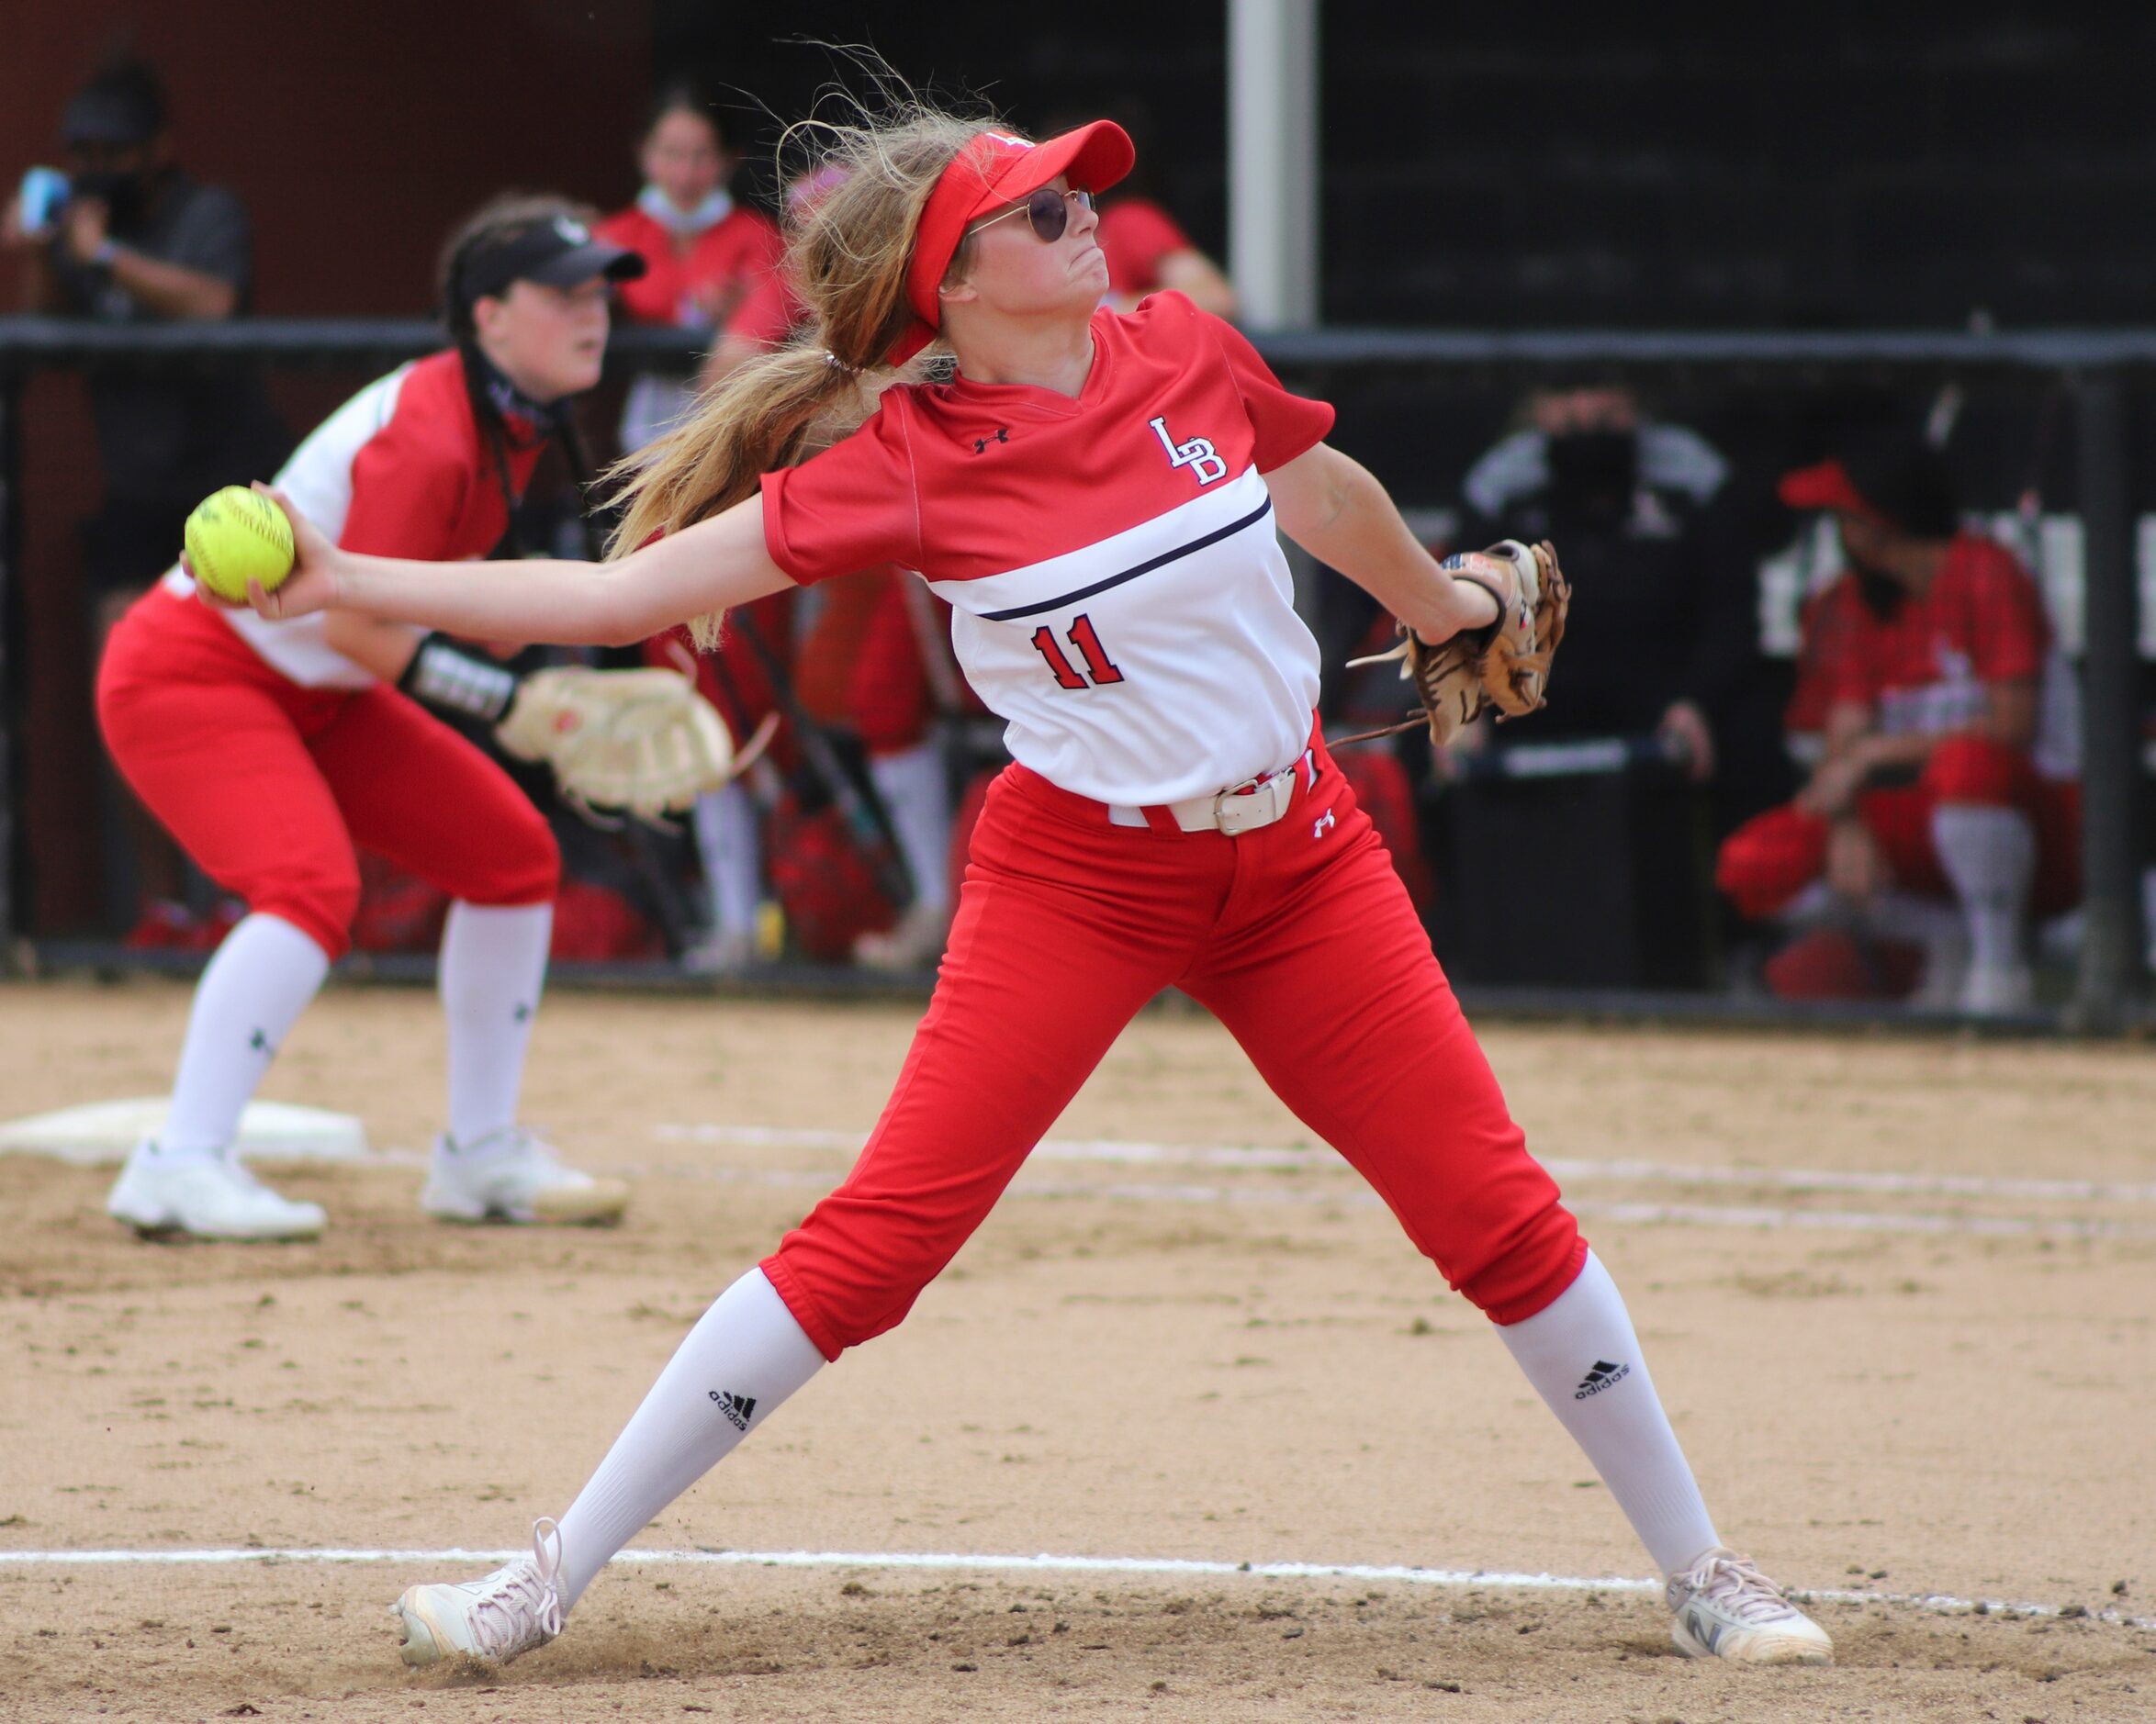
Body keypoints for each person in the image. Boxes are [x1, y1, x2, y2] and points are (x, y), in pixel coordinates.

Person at [228, 105, 1831, 1670]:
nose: (1085, 222)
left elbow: (1320, 491)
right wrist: (346, 576)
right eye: (1041, 212)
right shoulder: (912, 462)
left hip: (1301, 861)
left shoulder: (1187, 351)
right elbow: (615, 591)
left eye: (1077, 200)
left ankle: (1701, 1568)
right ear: (956, 288)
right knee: (877, 1244)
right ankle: (544, 1573)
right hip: (1078, 876)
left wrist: (1444, 604)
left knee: (1494, 1211)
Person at [95, 195, 643, 1240]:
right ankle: (178, 1162)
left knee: (511, 857)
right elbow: (355, 625)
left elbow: (424, 603)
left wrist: (539, 666)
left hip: (315, 693)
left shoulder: (513, 421)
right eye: (562, 293)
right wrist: (513, 702)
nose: (593, 313)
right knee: (306, 887)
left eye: (598, 293)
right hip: (194, 675)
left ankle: (478, 1158)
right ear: (487, 317)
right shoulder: (436, 432)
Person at [3, 53, 289, 939]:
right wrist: (40, 254)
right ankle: (165, 904)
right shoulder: (80, 227)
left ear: (157, 148)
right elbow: (45, 335)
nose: (98, 167)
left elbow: (212, 305)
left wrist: (108, 256)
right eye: (82, 150)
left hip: (233, 493)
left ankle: (252, 895)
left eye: (115, 151)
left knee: (249, 696)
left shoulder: (205, 213)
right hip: (138, 499)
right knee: (123, 689)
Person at [1716, 435, 2081, 1014]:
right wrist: (1846, 820)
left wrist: (1873, 757)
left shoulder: (1983, 571)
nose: (1840, 531)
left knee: (1968, 767)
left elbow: (2011, 725)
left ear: (1878, 522)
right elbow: (1845, 740)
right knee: (1757, 863)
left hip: (2054, 825)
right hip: (1937, 822)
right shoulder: (1864, 602)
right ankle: (1949, 943)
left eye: (1844, 516)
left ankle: (1999, 968)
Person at [1457, 386, 1781, 827]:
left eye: (1605, 401)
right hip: (1536, 687)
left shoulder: (1691, 475)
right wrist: (1467, 701)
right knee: (1430, 737)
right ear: (1538, 405)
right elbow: (1459, 609)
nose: (1587, 410)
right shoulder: (1500, 484)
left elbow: (1733, 615)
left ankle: (1738, 889)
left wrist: (1697, 700)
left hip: (1666, 685)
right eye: (1569, 399)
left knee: (1752, 731)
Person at [595, 85, 784, 454]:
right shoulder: (613, 237)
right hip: (636, 420)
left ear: (729, 160)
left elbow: (772, 308)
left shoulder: (759, 236)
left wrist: (737, 326)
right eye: (670, 154)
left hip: (732, 420)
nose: (684, 174)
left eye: (702, 156)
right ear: (644, 155)